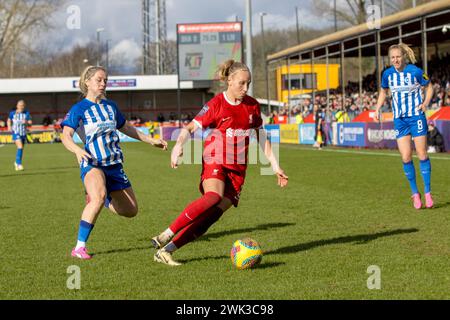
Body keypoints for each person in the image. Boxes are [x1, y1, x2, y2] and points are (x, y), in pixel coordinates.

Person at [150, 60, 289, 266]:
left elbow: (261, 136)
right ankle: (166, 233)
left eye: (248, 83)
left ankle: (167, 251)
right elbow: (189, 129)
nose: (245, 88)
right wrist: (179, 147)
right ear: (230, 81)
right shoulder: (216, 104)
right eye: (241, 83)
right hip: (215, 158)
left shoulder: (252, 106)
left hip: (238, 169)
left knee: (212, 216)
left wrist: (275, 166)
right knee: (213, 196)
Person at [61, 66, 168, 260]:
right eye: (98, 80)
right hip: (92, 161)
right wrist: (77, 150)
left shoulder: (110, 106)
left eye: (105, 81)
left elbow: (126, 127)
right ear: (87, 82)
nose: (103, 84)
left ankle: (102, 198)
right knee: (97, 197)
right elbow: (65, 135)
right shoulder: (78, 109)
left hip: (114, 164)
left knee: (131, 210)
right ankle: (79, 248)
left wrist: (151, 140)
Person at [374, 43, 434, 209]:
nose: (395, 60)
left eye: (398, 57)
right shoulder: (387, 74)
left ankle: (428, 192)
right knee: (406, 157)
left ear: (404, 57)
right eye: (392, 57)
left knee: (422, 153)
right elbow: (383, 91)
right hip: (399, 119)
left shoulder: (415, 71)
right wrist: (378, 107)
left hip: (416, 117)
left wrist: (425, 103)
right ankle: (416, 194)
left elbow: (429, 87)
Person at [7, 100, 32, 171]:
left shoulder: (26, 113)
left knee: (21, 149)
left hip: (23, 133)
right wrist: (9, 127)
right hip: (15, 132)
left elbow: (30, 122)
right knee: (20, 146)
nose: (21, 107)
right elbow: (9, 120)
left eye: (23, 105)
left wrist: (26, 121)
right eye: (20, 105)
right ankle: (19, 163)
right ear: (17, 106)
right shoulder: (12, 113)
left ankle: (16, 162)